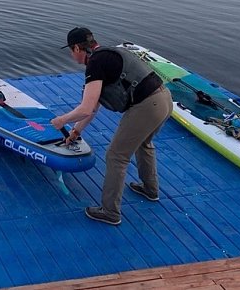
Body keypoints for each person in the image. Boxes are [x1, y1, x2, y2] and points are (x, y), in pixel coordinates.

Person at [51, 27, 173, 226]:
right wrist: (75, 132)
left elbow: (86, 107)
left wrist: (62, 121)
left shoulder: (96, 63)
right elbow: (93, 107)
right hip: (164, 99)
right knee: (144, 143)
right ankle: (150, 189)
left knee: (116, 156)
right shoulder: (107, 55)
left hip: (147, 106)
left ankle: (110, 212)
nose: (71, 55)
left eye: (71, 51)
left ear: (76, 48)